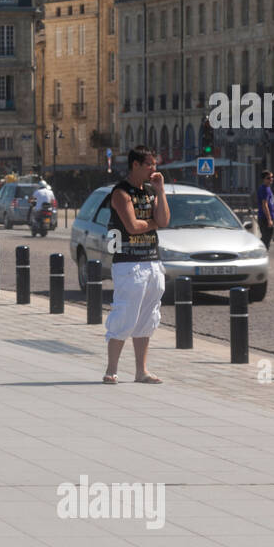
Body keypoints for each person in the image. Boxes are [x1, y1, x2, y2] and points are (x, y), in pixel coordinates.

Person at [103, 145, 170, 384]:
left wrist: (161, 192)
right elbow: (131, 226)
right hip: (128, 262)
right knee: (125, 313)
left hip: (152, 260)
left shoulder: (151, 191)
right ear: (136, 165)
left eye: (154, 163)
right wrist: (152, 222)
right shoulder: (121, 193)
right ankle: (111, 369)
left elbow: (163, 220)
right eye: (150, 164)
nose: (154, 168)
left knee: (148, 316)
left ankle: (141, 371)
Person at [257, 170, 274, 251]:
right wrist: (269, 220)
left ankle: (261, 252)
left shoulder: (267, 188)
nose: (271, 179)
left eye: (272, 177)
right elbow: (265, 205)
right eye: (268, 178)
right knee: (266, 238)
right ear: (264, 179)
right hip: (265, 218)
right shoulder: (264, 189)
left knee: (267, 238)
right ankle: (258, 251)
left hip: (268, 217)